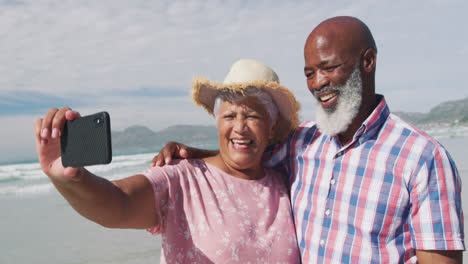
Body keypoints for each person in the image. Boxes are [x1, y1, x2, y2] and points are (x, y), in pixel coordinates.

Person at [152, 17, 465, 263]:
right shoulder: (303, 141)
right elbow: (246, 154)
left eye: (328, 68)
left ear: (367, 61)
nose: (318, 84)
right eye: (309, 73)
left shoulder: (423, 158)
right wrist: (190, 154)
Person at [34, 59, 301, 263]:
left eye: (253, 116)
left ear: (272, 124)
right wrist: (72, 179)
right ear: (218, 121)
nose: (240, 127)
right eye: (230, 116)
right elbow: (118, 202)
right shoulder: (182, 177)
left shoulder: (285, 181)